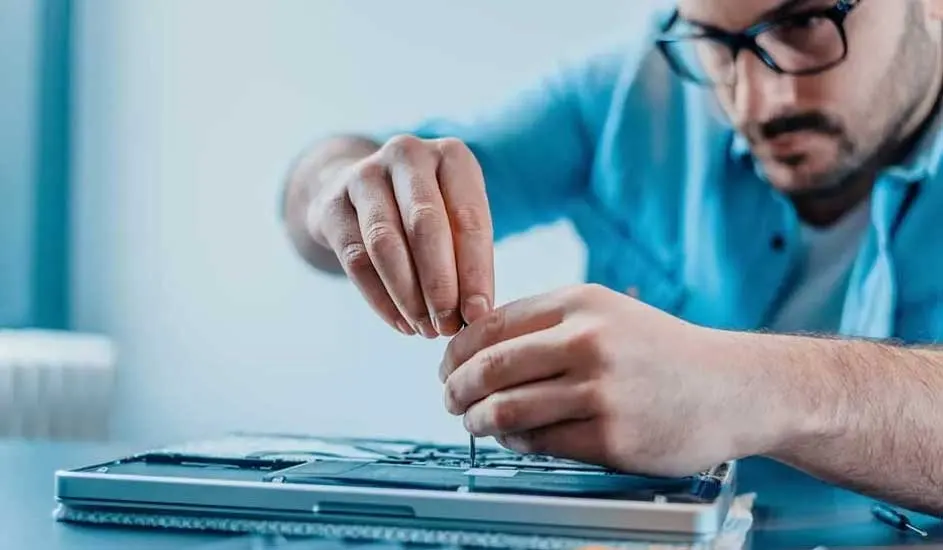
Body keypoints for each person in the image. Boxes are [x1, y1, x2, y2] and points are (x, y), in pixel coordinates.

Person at [281, 0, 943, 516]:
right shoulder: (635, 90)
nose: (753, 102)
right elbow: (339, 185)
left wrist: (752, 383)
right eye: (714, 43)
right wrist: (340, 191)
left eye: (804, 23)